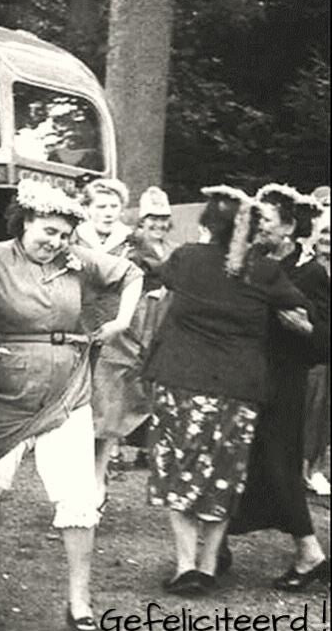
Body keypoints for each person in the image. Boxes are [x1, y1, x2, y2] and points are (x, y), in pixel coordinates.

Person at [0, 179, 143, 631]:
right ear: (24, 221)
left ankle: (79, 604)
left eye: (65, 235)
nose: (56, 242)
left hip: (68, 390)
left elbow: (130, 273)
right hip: (6, 390)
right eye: (48, 231)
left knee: (77, 498)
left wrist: (121, 321)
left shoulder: (76, 260)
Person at [142, 185, 309, 596]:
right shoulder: (264, 270)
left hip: (181, 382)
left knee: (178, 473)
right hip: (238, 390)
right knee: (223, 476)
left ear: (207, 225)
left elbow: (161, 274)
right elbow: (297, 306)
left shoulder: (186, 258)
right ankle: (209, 565)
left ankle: (185, 567)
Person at [228, 184, 330, 591]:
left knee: (279, 465)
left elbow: (326, 337)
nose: (259, 226)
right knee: (235, 460)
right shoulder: (249, 261)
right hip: (245, 377)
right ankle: (215, 549)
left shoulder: (311, 273)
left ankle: (309, 554)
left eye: (266, 220)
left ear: (289, 227)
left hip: (284, 383)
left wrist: (306, 329)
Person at [74, 178, 146, 500]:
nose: (108, 212)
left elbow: (151, 276)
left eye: (114, 206)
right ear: (87, 209)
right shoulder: (73, 237)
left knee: (109, 407)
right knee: (78, 406)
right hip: (78, 324)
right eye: (100, 206)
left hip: (118, 332)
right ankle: (77, 478)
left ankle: (98, 479)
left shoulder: (133, 242)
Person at [126, 187, 176, 468]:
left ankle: (150, 447)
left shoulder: (174, 249)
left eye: (163, 218)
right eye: (152, 218)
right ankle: (118, 444)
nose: (158, 224)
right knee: (133, 377)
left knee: (159, 380)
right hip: (140, 315)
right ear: (142, 220)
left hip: (166, 317)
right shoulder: (133, 248)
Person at [303, 192, 330, 496]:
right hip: (311, 349)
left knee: (325, 412)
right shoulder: (306, 266)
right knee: (312, 403)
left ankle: (317, 466)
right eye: (324, 232)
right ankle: (304, 467)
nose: (328, 239)